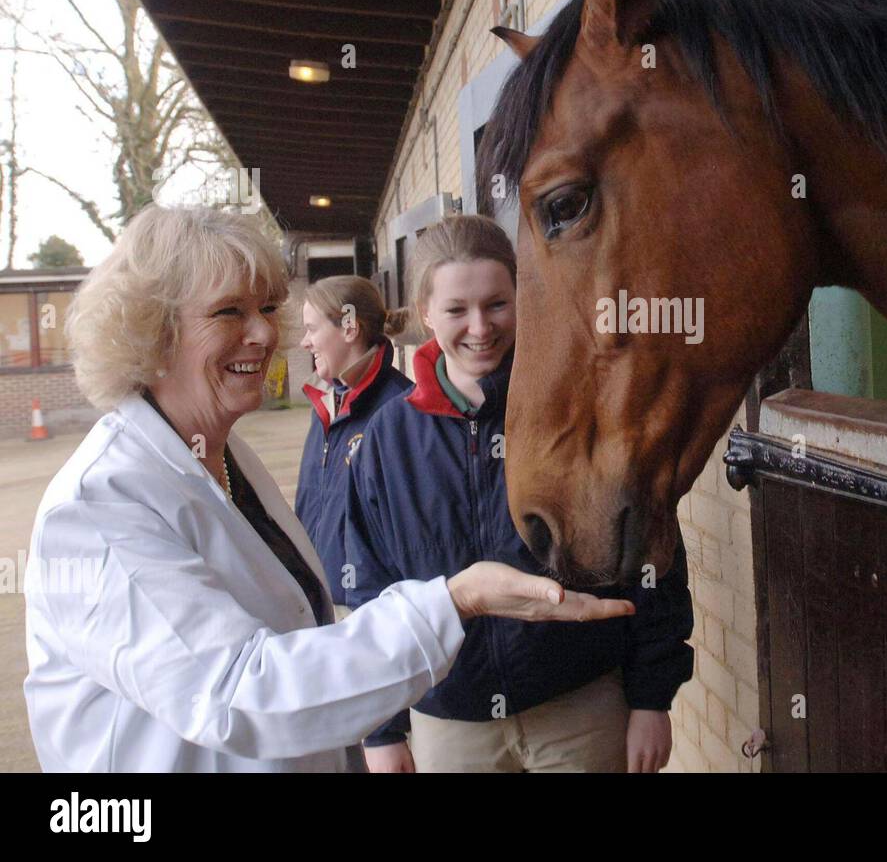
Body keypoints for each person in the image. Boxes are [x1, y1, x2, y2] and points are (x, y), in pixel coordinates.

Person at [23, 204, 634, 773]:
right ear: (151, 332)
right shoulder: (99, 508)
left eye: (267, 308)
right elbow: (240, 691)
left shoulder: (223, 456)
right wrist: (454, 602)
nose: (264, 335)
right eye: (228, 312)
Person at [346, 214, 694, 774]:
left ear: (521, 298)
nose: (479, 326)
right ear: (424, 312)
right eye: (457, 309)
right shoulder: (386, 440)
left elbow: (649, 553)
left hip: (580, 707)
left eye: (496, 304)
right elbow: (370, 582)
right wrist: (381, 727)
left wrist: (652, 696)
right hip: (451, 723)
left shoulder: (583, 411)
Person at [296, 275, 412, 619]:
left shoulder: (400, 413)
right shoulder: (326, 407)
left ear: (349, 328)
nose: (305, 342)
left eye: (312, 329)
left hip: (369, 616)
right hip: (320, 606)